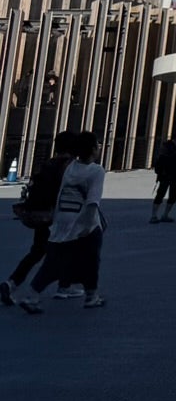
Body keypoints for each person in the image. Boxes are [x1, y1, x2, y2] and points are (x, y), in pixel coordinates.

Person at [16, 130, 110, 312]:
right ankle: (91, 295)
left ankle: (33, 295)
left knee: (53, 260)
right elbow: (92, 200)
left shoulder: (70, 168)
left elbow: (61, 194)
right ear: (92, 149)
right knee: (92, 260)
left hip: (63, 219)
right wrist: (88, 226)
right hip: (85, 222)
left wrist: (57, 220)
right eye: (97, 146)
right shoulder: (96, 171)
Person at [4, 130, 74, 308]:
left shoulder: (48, 163)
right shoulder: (69, 166)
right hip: (57, 215)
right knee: (63, 251)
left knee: (37, 252)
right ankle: (53, 289)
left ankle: (11, 283)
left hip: (40, 213)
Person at [149, 127, 176, 223]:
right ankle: (154, 215)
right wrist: (175, 154)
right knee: (160, 193)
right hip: (165, 173)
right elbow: (162, 157)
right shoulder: (167, 145)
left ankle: (165, 215)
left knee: (173, 195)